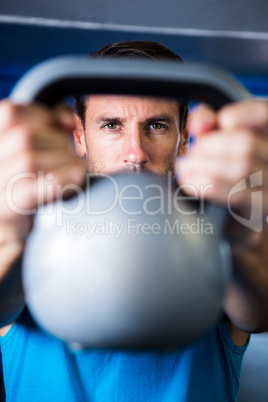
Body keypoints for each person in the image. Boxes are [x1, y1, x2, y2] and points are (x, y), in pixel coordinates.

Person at [0, 40, 267, 401]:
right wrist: (9, 231)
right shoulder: (33, 229)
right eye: (112, 125)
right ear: (79, 136)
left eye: (156, 125)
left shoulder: (221, 231)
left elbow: (257, 313)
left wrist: (248, 234)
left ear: (184, 138)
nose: (135, 154)